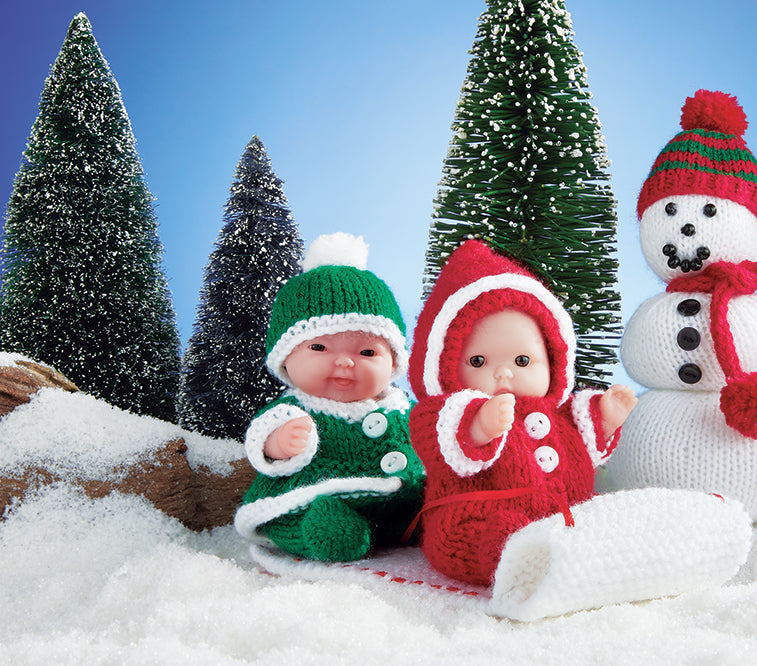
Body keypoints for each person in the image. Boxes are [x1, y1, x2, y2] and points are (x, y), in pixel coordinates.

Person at [407, 239, 636, 585]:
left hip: (567, 512)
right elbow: (435, 437)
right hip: (478, 517)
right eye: (478, 361)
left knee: (601, 518)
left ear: (553, 361)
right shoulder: (444, 414)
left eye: (522, 360)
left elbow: (584, 439)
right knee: (463, 540)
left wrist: (605, 417)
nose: (504, 373)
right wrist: (479, 426)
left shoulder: (559, 413)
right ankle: (511, 555)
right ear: (445, 368)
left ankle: (579, 551)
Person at [234, 233, 423, 563]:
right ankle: (322, 534)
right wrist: (278, 444)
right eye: (319, 347)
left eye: (367, 352)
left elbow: (434, 435)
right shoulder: (294, 410)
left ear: (394, 363)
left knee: (430, 509)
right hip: (315, 496)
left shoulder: (404, 408)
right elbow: (260, 440)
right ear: (286, 360)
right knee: (303, 521)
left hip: (399, 500)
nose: (345, 362)